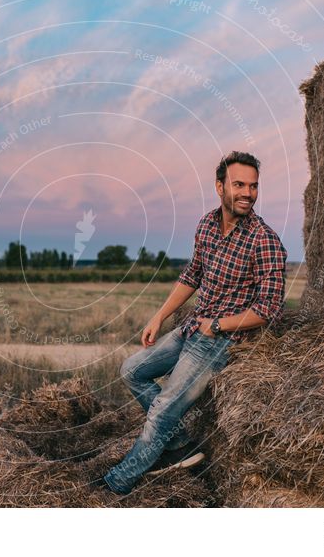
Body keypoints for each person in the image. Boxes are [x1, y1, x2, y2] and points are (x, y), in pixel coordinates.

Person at [101, 151, 287, 495]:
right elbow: (193, 274)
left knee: (162, 408)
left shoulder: (266, 241)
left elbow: (269, 309)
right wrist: (159, 316)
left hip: (222, 340)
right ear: (220, 187)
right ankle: (180, 444)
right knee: (132, 370)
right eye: (239, 185)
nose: (248, 193)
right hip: (194, 327)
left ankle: (119, 482)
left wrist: (218, 326)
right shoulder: (206, 224)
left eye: (254, 186)